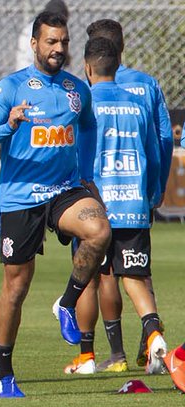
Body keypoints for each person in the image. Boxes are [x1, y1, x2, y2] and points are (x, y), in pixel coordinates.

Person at [0, 9, 109, 398]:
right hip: (21, 198)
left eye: (63, 41)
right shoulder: (12, 88)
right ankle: (3, 372)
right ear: (34, 44)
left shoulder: (77, 90)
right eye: (50, 41)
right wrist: (7, 126)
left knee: (100, 231)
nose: (58, 48)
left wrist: (88, 175)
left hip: (63, 190)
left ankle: (67, 302)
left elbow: (90, 126)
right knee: (16, 287)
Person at [65, 19, 171, 374]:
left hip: (95, 206)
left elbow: (74, 152)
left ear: (88, 65)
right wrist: (154, 189)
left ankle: (93, 355)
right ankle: (152, 331)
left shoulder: (82, 100)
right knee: (136, 276)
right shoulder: (139, 99)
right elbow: (157, 147)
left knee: (95, 277)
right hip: (134, 202)